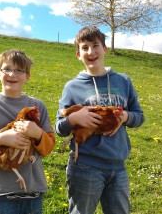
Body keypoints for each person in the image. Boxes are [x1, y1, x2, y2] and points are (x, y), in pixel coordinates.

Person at [55, 26, 145, 214]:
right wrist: (73, 118)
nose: (91, 52)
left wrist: (125, 117)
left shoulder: (123, 81)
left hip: (118, 166)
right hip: (85, 166)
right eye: (84, 47)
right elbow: (59, 128)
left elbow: (139, 116)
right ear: (78, 54)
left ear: (104, 49)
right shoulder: (72, 87)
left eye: (95, 45)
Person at [0, 49, 55, 214]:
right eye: (7, 69)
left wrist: (37, 133)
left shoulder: (38, 106)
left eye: (19, 70)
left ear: (27, 76)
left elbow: (48, 148)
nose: (12, 74)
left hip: (32, 193)